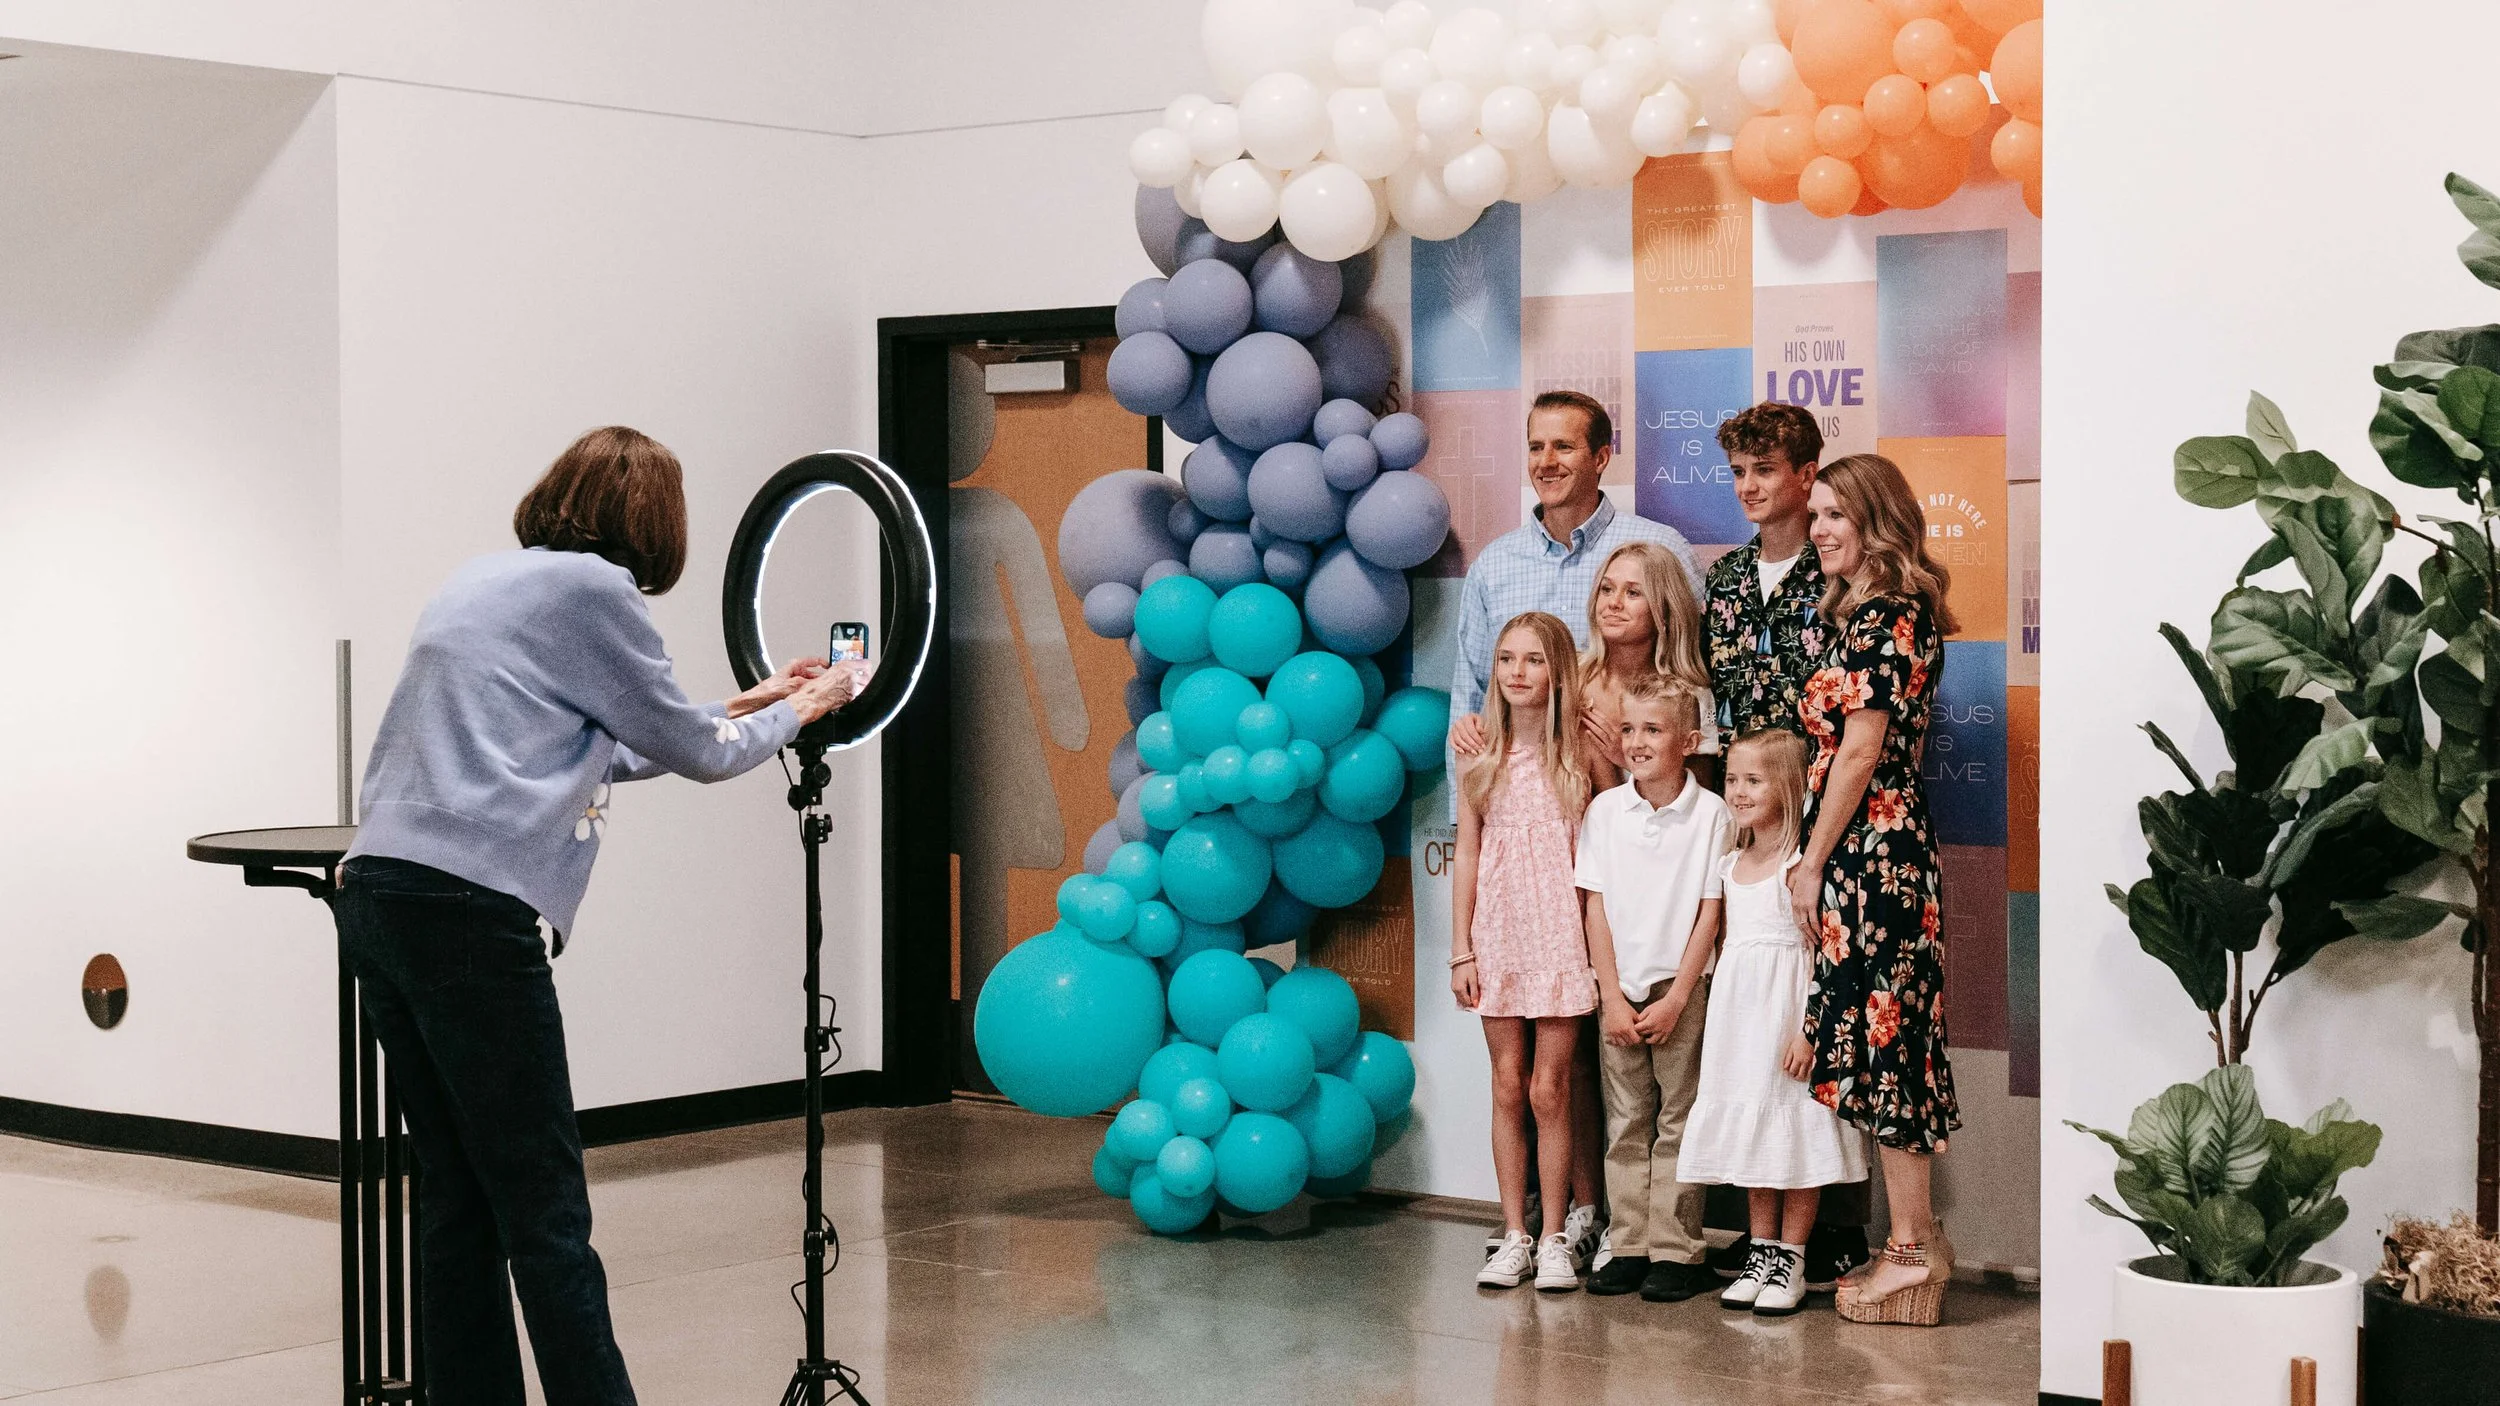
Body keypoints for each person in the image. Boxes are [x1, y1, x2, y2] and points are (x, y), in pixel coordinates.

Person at [333, 426, 868, 1404]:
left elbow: (601, 746)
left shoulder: (483, 582)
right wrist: (812, 702)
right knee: (546, 1212)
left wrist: (754, 699)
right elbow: (698, 750)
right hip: (468, 914)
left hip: (376, 894)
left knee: (455, 1199)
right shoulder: (595, 593)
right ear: (652, 524)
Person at [1447, 388, 1700, 1267]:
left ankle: (1640, 1228)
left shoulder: (1656, 548)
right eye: (1536, 446)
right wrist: (1473, 775)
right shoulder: (1497, 564)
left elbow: (1686, 686)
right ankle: (1560, 1220)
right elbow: (1469, 691)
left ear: (1602, 455)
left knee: (1622, 1061)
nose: (1548, 460)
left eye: (1565, 446)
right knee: (1548, 1072)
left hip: (1622, 865)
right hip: (1532, 860)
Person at [1788, 452, 1962, 1327]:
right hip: (1876, 851)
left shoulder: (1890, 616)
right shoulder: (1873, 614)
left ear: (1876, 523)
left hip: (1874, 857)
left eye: (1834, 516)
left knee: (1893, 1046)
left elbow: (1859, 750)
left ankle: (1908, 1251)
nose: (1818, 528)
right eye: (1814, 513)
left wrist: (1814, 858)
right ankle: (1913, 1240)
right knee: (1883, 1040)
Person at [1702, 401, 1872, 1293]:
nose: (1749, 488)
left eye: (1764, 471)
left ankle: (1826, 1236)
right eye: (1738, 473)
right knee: (1747, 1031)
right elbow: (1717, 692)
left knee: (1813, 1008)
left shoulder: (1839, 567)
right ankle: (1757, 1238)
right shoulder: (1726, 577)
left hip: (1825, 813)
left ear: (1807, 475)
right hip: (1749, 810)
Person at [1680, 730, 1869, 1318]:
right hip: (1741, 1023)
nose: (1737, 791)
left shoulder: (1800, 867)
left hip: (1788, 1018)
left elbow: (1820, 958)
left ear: (1787, 787)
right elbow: (1726, 945)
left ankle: (1792, 1253)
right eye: (1732, 779)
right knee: (1756, 1140)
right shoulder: (1731, 865)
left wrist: (1809, 1032)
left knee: (1796, 1134)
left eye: (1752, 780)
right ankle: (1761, 1250)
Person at [1451, 612, 1598, 1294]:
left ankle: (1556, 1236)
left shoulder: (1580, 758)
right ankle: (1513, 1233)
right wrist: (1461, 950)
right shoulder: (1480, 759)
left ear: (1557, 671)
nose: (1516, 672)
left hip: (1562, 935)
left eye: (1533, 660)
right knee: (1508, 1084)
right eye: (1506, 658)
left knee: (1551, 1087)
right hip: (1500, 935)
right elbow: (1469, 856)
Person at [1572, 676, 1731, 1304]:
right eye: (1630, 729)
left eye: (1653, 730)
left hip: (1680, 989)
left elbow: (1710, 911)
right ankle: (1630, 1242)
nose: (1637, 742)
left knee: (1679, 1119)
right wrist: (1610, 995)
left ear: (1689, 741)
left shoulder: (1713, 814)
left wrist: (1676, 996)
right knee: (1626, 1120)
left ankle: (1678, 1248)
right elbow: (1596, 908)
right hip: (1620, 988)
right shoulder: (1605, 812)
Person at [1578, 540, 1719, 795]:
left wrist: (1628, 759)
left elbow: (1700, 798)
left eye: (1633, 593)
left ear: (1664, 610)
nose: (1614, 603)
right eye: (1606, 589)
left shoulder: (1691, 697)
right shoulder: (1568, 678)